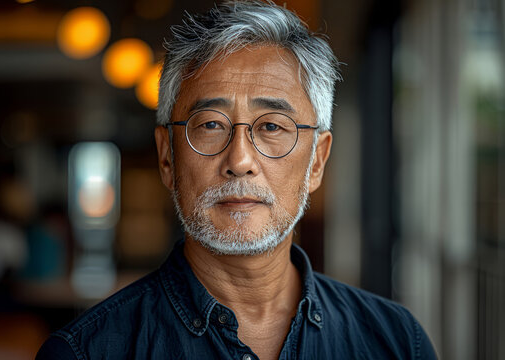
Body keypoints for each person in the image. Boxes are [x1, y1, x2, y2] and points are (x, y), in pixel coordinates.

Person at [37, 1, 437, 359]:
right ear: (167, 157)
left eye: (272, 127)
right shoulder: (86, 352)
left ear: (317, 160)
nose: (240, 160)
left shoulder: (397, 342)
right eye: (210, 124)